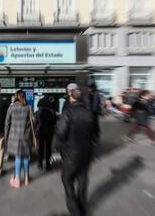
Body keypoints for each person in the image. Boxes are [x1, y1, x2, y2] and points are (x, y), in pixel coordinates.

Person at [56, 84, 95, 216]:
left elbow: (60, 133)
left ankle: (75, 211)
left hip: (72, 153)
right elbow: (94, 133)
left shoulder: (68, 112)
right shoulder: (89, 112)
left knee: (67, 179)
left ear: (71, 97)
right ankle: (83, 209)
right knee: (83, 181)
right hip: (87, 152)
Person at [5, 90, 36, 188]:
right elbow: (34, 122)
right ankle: (26, 177)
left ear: (16, 96)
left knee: (18, 157)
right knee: (26, 156)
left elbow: (7, 123)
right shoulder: (29, 108)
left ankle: (17, 180)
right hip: (26, 136)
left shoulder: (11, 108)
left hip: (14, 137)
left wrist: (6, 136)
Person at [36, 95, 57, 171]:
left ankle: (40, 164)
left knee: (40, 148)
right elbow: (54, 122)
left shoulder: (38, 113)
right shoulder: (52, 112)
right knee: (48, 148)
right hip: (49, 132)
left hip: (41, 132)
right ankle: (48, 165)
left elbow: (35, 122)